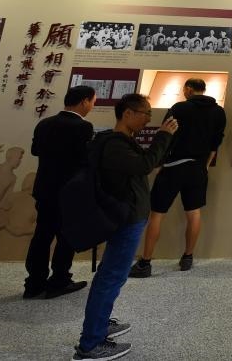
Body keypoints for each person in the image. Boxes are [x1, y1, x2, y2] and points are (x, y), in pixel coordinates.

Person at [73, 93, 177, 361]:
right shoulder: (115, 144)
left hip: (128, 215)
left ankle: (100, 324)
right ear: (128, 113)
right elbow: (145, 165)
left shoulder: (121, 141)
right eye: (145, 114)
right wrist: (163, 135)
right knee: (111, 277)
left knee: (110, 275)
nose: (147, 120)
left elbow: (144, 164)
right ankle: (91, 344)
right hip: (126, 217)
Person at [129, 78, 226, 278]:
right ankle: (188, 257)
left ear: (188, 89)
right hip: (198, 168)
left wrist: (159, 163)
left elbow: (166, 135)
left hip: (173, 166)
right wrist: (205, 165)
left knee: (157, 214)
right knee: (194, 213)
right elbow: (216, 142)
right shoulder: (218, 111)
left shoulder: (179, 108)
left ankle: (145, 262)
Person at [22, 85, 96, 300]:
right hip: (69, 191)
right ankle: (59, 279)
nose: (92, 106)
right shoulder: (83, 127)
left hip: (45, 189)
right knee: (66, 237)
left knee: (42, 235)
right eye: (92, 102)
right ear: (84, 101)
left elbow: (35, 150)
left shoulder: (45, 123)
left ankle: (34, 283)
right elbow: (84, 159)